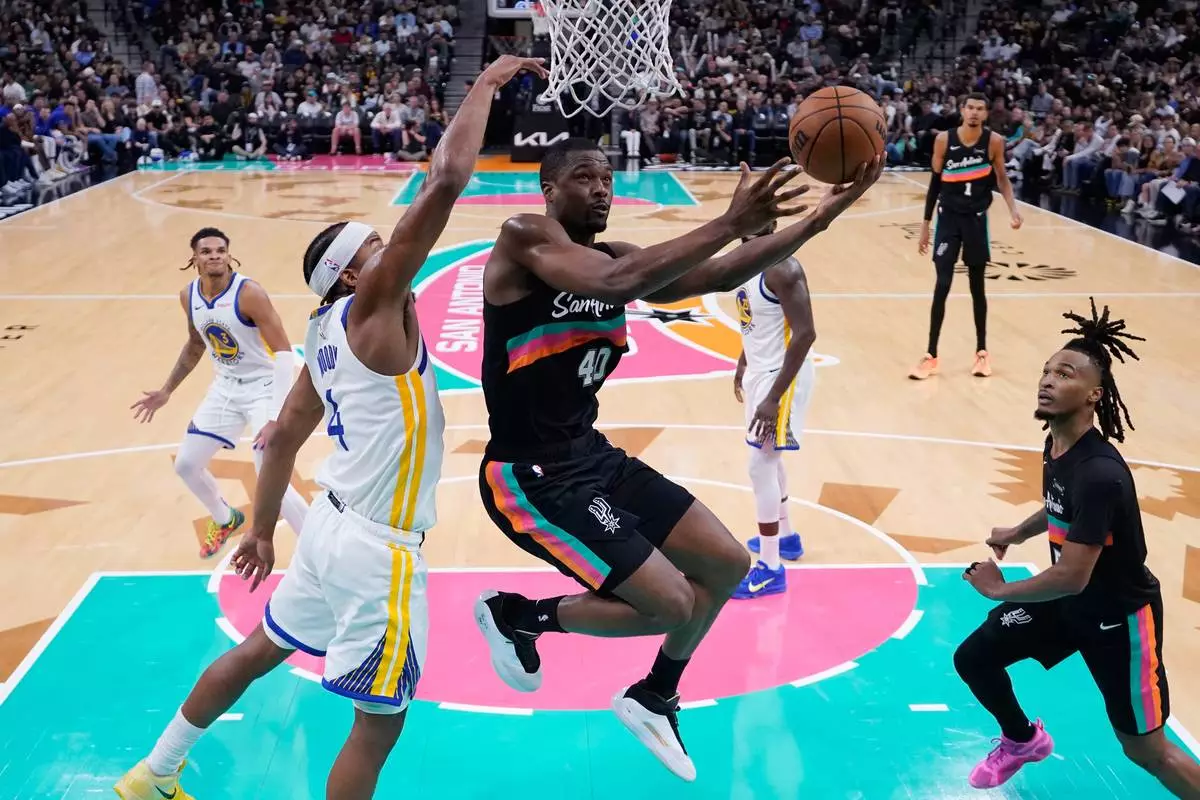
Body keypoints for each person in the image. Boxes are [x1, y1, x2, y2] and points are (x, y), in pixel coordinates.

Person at [113, 55, 547, 800]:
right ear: (353, 276)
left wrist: (260, 533)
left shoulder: (322, 333)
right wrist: (485, 83)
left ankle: (151, 775)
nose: (393, 250)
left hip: (327, 530)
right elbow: (446, 180)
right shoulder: (373, 311)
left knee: (259, 652)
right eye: (377, 248)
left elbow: (281, 437)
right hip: (378, 550)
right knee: (378, 725)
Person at [472, 140, 882, 782]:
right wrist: (730, 221)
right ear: (549, 190)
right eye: (585, 177)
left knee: (727, 564)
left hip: (592, 455)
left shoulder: (617, 255)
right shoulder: (524, 237)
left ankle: (656, 694)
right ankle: (517, 616)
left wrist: (824, 215)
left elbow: (717, 275)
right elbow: (618, 285)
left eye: (608, 178)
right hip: (533, 476)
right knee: (671, 604)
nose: (602, 189)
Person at [956, 299, 1200, 796]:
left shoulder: (1099, 473)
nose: (1048, 380)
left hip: (1118, 620)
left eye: (1064, 374)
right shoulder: (1058, 445)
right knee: (975, 658)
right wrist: (1018, 533)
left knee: (1147, 752)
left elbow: (1071, 575)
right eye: (1046, 371)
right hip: (1070, 606)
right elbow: (1061, 506)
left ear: (1094, 395)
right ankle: (1022, 740)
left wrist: (999, 590)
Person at [130, 228, 309, 557]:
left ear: (229, 255)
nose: (214, 255)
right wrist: (167, 390)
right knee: (186, 464)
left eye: (220, 250)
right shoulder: (189, 296)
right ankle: (225, 518)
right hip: (225, 388)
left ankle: (317, 547)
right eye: (206, 251)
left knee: (271, 480)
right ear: (194, 259)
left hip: (263, 388)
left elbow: (284, 353)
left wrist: (274, 416)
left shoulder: (249, 293)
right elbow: (196, 344)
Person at [732, 220, 817, 598]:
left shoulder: (783, 267)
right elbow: (757, 322)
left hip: (782, 376)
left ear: (772, 221)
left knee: (760, 464)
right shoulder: (746, 261)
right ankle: (786, 537)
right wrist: (743, 362)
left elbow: (805, 333)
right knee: (769, 458)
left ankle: (770, 567)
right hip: (760, 372)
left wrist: (772, 398)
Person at [911, 93, 1022, 381]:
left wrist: (1013, 210)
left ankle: (981, 352)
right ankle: (931, 355)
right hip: (948, 220)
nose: (974, 112)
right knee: (942, 285)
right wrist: (925, 225)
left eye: (979, 109)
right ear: (962, 110)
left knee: (977, 288)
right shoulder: (943, 140)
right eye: (970, 107)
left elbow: (1002, 179)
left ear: (986, 113)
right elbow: (935, 184)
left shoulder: (994, 141)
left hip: (976, 220)